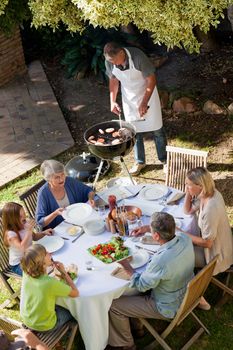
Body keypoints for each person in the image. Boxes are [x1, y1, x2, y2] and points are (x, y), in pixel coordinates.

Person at [107, 212, 194, 350]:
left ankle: (127, 345)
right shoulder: (185, 239)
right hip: (188, 295)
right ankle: (138, 328)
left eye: (152, 231)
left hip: (168, 306)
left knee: (113, 305)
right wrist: (148, 228)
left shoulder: (161, 261)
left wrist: (124, 263)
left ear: (156, 236)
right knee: (132, 293)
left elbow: (141, 285)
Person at [104, 42, 167, 176]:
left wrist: (144, 102)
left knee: (157, 131)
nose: (113, 64)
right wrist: (112, 101)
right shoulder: (110, 61)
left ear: (121, 52)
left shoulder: (138, 57)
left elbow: (151, 79)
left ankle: (165, 160)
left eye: (115, 61)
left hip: (147, 95)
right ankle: (140, 162)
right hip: (129, 98)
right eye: (110, 61)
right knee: (134, 132)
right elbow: (113, 80)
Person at [183, 167, 233, 276]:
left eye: (188, 184)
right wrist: (188, 192)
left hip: (216, 256)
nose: (185, 187)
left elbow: (207, 243)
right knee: (182, 243)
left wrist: (182, 233)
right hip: (221, 245)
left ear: (200, 185)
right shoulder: (209, 193)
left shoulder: (210, 209)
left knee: (178, 253)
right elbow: (188, 210)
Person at [20, 244, 79, 332]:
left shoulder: (26, 272)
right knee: (74, 310)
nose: (50, 253)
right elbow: (75, 293)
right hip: (44, 325)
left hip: (26, 318)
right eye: (46, 253)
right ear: (41, 262)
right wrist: (64, 273)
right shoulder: (49, 283)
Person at [36, 159, 95, 229]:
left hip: (78, 222)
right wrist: (55, 214)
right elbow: (40, 222)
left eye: (62, 174)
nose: (61, 179)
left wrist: (90, 199)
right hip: (60, 229)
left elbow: (88, 190)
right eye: (57, 177)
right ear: (49, 179)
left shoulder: (69, 181)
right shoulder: (43, 193)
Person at [2, 202, 53, 276]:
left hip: (30, 257)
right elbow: (22, 248)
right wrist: (28, 232)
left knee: (50, 262)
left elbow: (34, 237)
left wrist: (44, 233)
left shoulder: (25, 224)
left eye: (24, 214)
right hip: (18, 264)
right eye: (20, 216)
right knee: (40, 273)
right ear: (12, 219)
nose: (24, 217)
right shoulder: (10, 234)